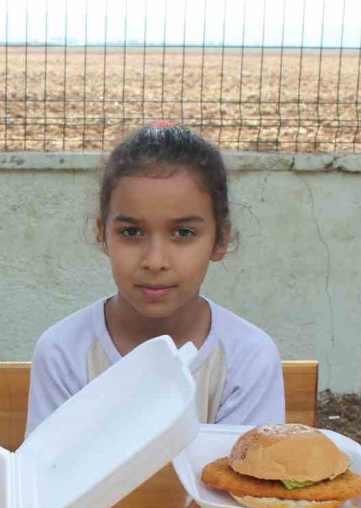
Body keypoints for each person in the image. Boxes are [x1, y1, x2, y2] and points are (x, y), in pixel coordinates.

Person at [26, 124, 284, 433]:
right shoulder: (64, 353)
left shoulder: (247, 359)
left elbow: (243, 477)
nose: (155, 261)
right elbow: (48, 473)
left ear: (220, 240)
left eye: (183, 233)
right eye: (131, 232)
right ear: (102, 234)